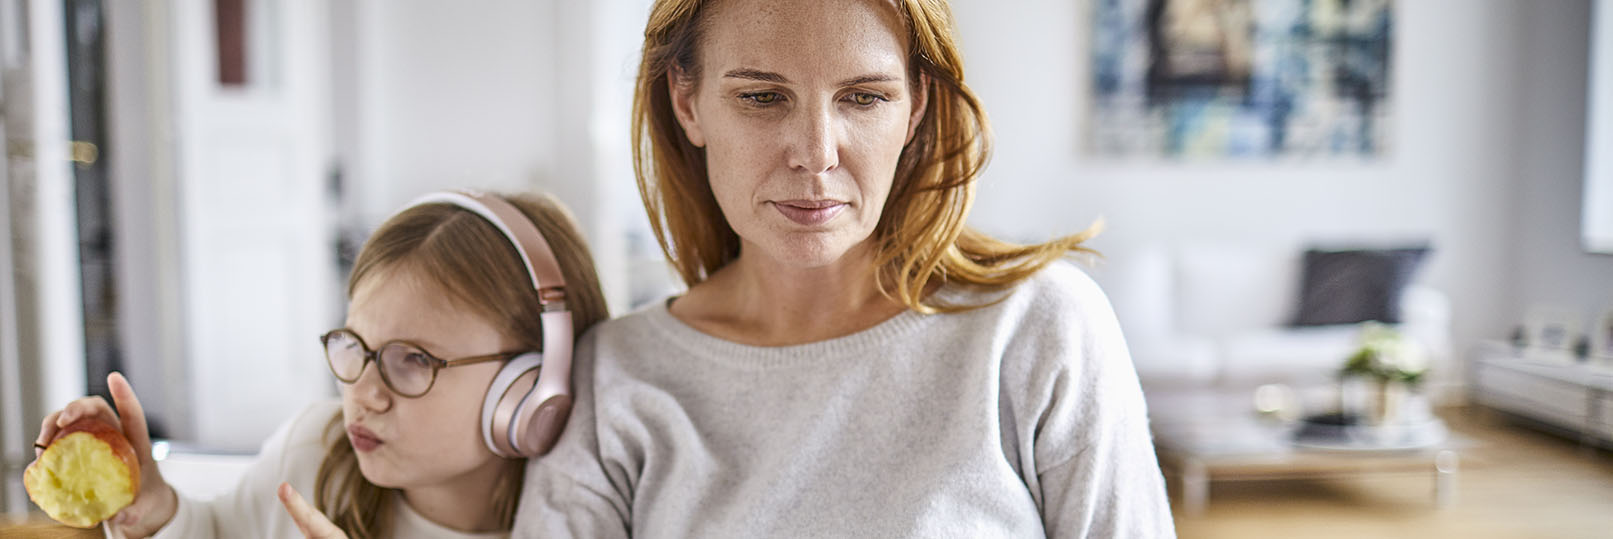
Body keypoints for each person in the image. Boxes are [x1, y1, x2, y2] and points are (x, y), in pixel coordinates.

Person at [515, 0, 1175, 537]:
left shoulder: (1038, 329)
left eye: (862, 97)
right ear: (687, 103)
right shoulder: (614, 376)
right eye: (762, 97)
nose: (814, 153)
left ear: (914, 107)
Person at [33, 191, 609, 539]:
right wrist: (155, 511)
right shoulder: (314, 455)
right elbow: (217, 534)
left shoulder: (585, 518)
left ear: (532, 392)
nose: (364, 392)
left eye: (413, 361)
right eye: (353, 346)